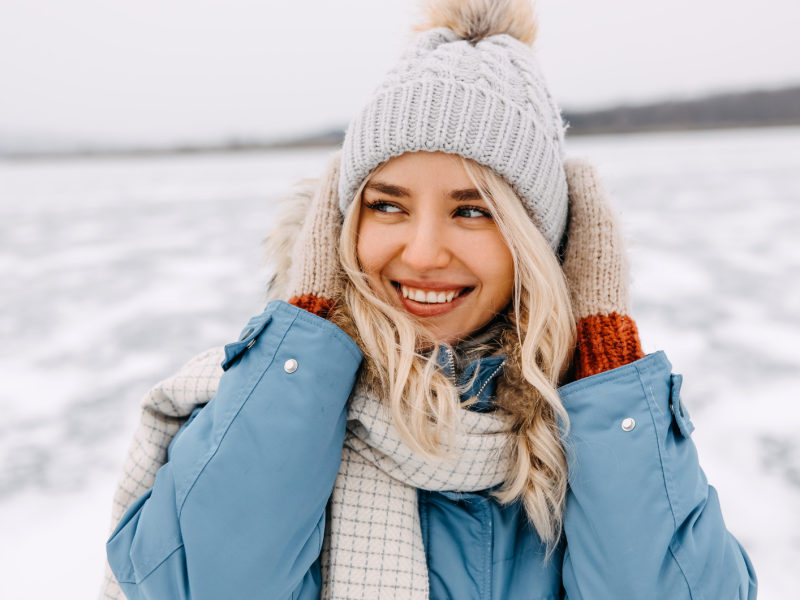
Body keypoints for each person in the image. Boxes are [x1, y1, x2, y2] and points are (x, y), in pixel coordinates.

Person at [100, 1, 757, 598]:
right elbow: (204, 584)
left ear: (536, 242)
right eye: (387, 205)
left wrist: (607, 359)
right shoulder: (245, 401)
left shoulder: (596, 432)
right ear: (339, 228)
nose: (420, 253)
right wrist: (304, 333)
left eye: (473, 212)